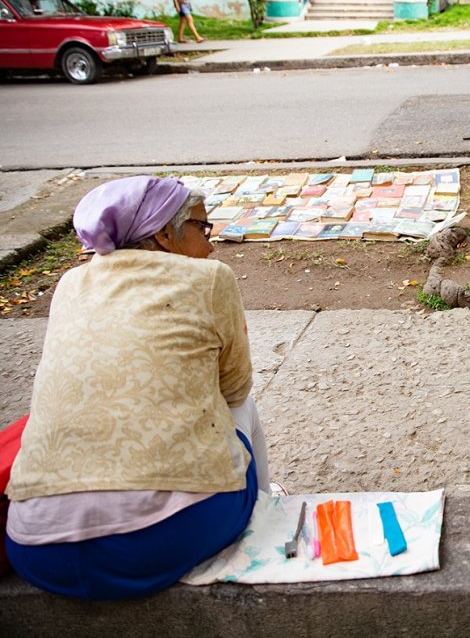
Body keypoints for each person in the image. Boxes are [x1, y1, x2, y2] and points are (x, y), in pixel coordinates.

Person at [4, 176, 270, 600]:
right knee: (245, 407)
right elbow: (234, 388)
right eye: (203, 229)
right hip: (161, 541)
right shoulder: (210, 278)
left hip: (35, 550)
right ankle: (267, 512)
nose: (211, 245)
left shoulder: (70, 284)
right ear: (165, 234)